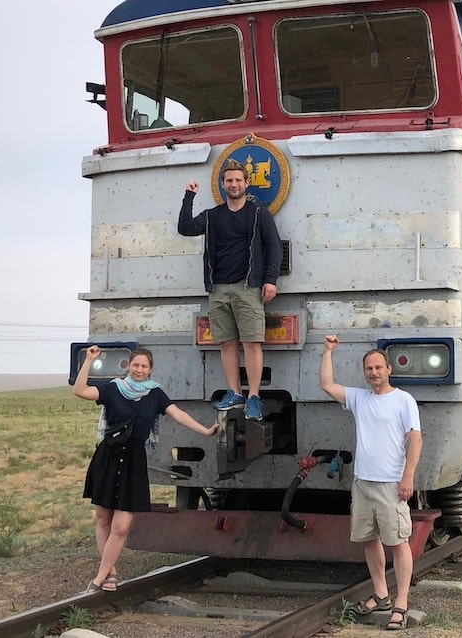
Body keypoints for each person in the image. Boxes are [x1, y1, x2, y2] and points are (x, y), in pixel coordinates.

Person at [73, 345, 218, 593]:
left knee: (121, 526)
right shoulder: (113, 388)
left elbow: (179, 415)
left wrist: (205, 431)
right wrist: (88, 360)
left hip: (134, 461)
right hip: (108, 456)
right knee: (102, 518)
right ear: (128, 366)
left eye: (144, 366)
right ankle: (111, 573)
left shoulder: (155, 394)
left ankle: (97, 581)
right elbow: (80, 391)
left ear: (150, 370)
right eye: (135, 365)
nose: (139, 370)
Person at [319, 335, 423, 631]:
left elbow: (415, 439)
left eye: (378, 367)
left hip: (392, 484)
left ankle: (401, 604)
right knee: (368, 539)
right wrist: (328, 352)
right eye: (369, 369)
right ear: (365, 372)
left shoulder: (403, 400)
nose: (374, 372)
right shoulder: (359, 398)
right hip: (363, 483)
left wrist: (408, 477)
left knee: (398, 543)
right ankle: (381, 593)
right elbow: (327, 385)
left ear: (389, 369)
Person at [177, 158, 283, 420]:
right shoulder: (213, 216)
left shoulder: (259, 214)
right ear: (222, 185)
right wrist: (189, 196)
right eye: (229, 181)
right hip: (218, 289)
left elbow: (274, 247)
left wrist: (270, 280)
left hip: (248, 287)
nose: (234, 184)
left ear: (247, 183)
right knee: (226, 344)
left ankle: (254, 397)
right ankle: (234, 393)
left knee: (252, 343)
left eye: (238, 180)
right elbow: (185, 228)